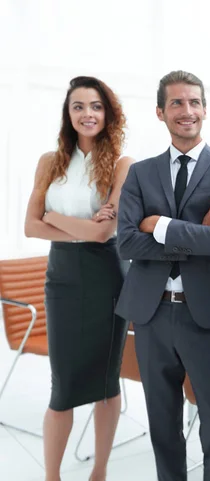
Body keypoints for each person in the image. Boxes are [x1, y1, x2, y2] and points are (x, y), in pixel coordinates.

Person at [115, 70, 210, 481]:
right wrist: (199, 227)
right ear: (161, 112)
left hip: (205, 315)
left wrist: (160, 224)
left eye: (194, 102)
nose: (186, 111)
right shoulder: (140, 173)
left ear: (205, 109)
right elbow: (127, 244)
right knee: (162, 423)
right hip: (151, 313)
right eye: (176, 103)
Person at [23, 76, 134, 481]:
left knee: (106, 380)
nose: (87, 114)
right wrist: (77, 225)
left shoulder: (123, 165)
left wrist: (54, 218)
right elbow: (30, 227)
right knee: (63, 386)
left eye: (95, 107)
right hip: (63, 279)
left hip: (106, 277)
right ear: (68, 114)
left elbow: (105, 233)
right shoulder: (48, 162)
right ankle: (51, 475)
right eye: (78, 107)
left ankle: (99, 471)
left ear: (108, 114)